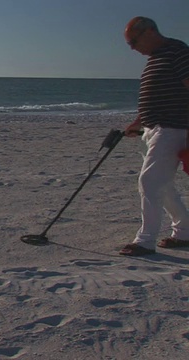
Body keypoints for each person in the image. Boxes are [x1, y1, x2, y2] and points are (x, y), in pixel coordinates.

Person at [120, 16, 189, 256]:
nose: (132, 48)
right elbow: (158, 96)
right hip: (153, 129)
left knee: (149, 182)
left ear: (150, 31)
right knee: (163, 185)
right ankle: (184, 232)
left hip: (172, 128)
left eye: (133, 42)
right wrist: (138, 123)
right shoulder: (155, 58)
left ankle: (145, 241)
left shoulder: (177, 50)